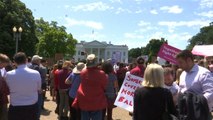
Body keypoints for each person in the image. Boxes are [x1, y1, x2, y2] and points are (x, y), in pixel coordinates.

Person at [6, 52, 41, 120]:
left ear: (14, 62)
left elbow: (7, 89)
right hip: (31, 107)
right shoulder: (36, 73)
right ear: (26, 60)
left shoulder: (8, 74)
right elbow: (38, 89)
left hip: (15, 107)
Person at [72, 54, 108, 120]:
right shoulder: (101, 73)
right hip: (97, 101)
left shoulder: (83, 72)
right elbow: (104, 86)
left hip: (84, 100)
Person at [0, 53, 10, 120]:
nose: (4, 67)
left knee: (4, 115)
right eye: (4, 65)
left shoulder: (3, 70)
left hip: (3, 97)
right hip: (2, 96)